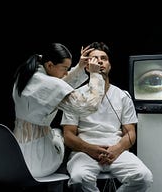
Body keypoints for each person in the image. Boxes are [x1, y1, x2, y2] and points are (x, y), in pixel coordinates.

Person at [61, 42, 153, 192]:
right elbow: (68, 135)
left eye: (103, 58)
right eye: (94, 59)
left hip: (115, 152)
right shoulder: (75, 96)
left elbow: (130, 133)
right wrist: (90, 149)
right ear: (86, 66)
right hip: (84, 152)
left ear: (109, 65)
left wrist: (116, 150)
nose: (99, 61)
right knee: (79, 179)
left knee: (143, 177)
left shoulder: (123, 96)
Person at [12, 42, 105, 178]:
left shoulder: (28, 73)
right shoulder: (49, 84)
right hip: (37, 162)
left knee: (56, 134)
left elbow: (57, 86)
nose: (66, 72)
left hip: (14, 157)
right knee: (60, 136)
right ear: (50, 65)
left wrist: (79, 67)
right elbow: (89, 106)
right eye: (65, 68)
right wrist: (95, 75)